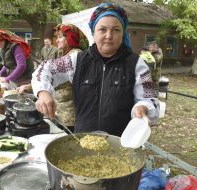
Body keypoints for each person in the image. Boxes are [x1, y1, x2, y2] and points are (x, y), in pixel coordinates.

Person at [32, 3, 160, 136]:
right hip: (83, 141)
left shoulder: (137, 64)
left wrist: (143, 107)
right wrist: (43, 92)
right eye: (102, 29)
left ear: (123, 34)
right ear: (93, 32)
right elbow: (45, 68)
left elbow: (150, 98)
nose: (109, 36)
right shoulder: (77, 60)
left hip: (122, 143)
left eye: (116, 30)